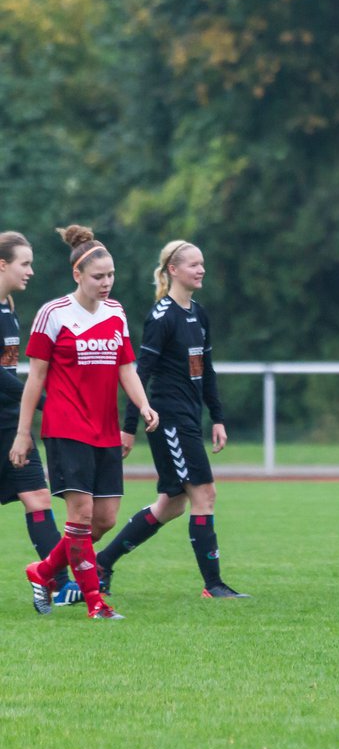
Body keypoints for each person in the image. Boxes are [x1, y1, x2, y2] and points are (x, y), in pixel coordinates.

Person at [13, 225, 158, 620]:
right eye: (98, 276)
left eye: (111, 275)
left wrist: (143, 405)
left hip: (105, 429)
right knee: (79, 517)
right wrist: (23, 433)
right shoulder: (53, 314)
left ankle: (42, 571)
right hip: (65, 426)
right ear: (77, 275)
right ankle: (96, 603)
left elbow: (127, 366)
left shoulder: (116, 313)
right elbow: (35, 378)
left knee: (103, 520)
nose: (106, 283)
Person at [95, 241, 247, 599]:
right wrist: (128, 428)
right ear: (172, 271)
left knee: (173, 503)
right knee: (204, 494)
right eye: (194, 264)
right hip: (169, 419)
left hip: (190, 418)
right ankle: (213, 585)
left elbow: (205, 370)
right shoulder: (162, 317)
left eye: (203, 264)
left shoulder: (199, 314)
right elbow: (139, 373)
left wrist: (218, 418)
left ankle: (103, 561)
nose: (201, 270)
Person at [0, 232, 81, 607]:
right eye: (24, 263)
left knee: (37, 497)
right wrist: (47, 402)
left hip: (10, 421)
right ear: (3, 265)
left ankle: (59, 582)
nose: (31, 270)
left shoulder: (9, 306)